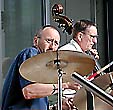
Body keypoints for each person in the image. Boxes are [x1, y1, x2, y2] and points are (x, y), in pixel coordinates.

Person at [1, 25, 80, 110]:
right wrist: (65, 85)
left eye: (56, 43)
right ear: (36, 41)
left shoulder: (42, 69)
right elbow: (29, 91)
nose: (52, 47)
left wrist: (55, 108)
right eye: (49, 41)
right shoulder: (31, 53)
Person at [59, 19, 100, 110]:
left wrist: (92, 62)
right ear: (80, 36)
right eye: (92, 37)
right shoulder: (67, 52)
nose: (95, 41)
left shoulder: (84, 54)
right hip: (69, 103)